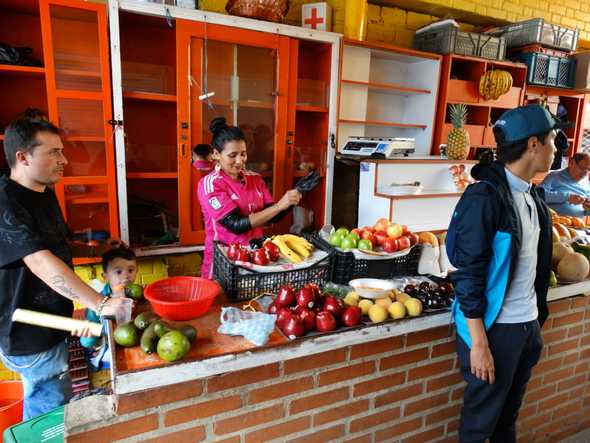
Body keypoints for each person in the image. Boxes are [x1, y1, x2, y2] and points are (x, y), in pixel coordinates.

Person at [0, 115, 127, 419]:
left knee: (57, 399)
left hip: (52, 323)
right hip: (29, 332)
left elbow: (57, 242)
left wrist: (91, 248)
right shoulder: (6, 201)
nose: (65, 160)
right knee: (50, 415)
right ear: (23, 157)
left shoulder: (43, 192)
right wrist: (102, 302)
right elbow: (38, 260)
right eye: (54, 152)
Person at [446, 104, 559, 442]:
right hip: (495, 332)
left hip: (525, 328)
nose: (557, 149)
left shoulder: (531, 196)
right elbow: (467, 273)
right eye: (553, 141)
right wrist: (479, 342)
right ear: (533, 145)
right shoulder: (486, 197)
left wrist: (534, 324)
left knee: (506, 421)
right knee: (481, 425)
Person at [197, 117, 302, 279]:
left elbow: (272, 216)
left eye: (243, 154)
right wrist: (279, 206)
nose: (240, 161)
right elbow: (236, 224)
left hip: (256, 259)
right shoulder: (210, 184)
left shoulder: (255, 179)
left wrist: (291, 200)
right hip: (224, 262)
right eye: (233, 155)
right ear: (216, 154)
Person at [80, 247, 138, 369]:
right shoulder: (98, 303)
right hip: (111, 352)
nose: (126, 276)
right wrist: (89, 336)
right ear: (105, 276)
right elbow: (86, 342)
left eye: (131, 270)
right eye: (118, 272)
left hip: (135, 347)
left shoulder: (139, 294)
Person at [539, 151, 590, 217]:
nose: (585, 173)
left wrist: (588, 209)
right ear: (572, 163)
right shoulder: (554, 176)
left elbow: (587, 213)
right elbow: (539, 195)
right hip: (554, 222)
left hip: (576, 225)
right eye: (582, 168)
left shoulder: (587, 184)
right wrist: (567, 197)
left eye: (588, 170)